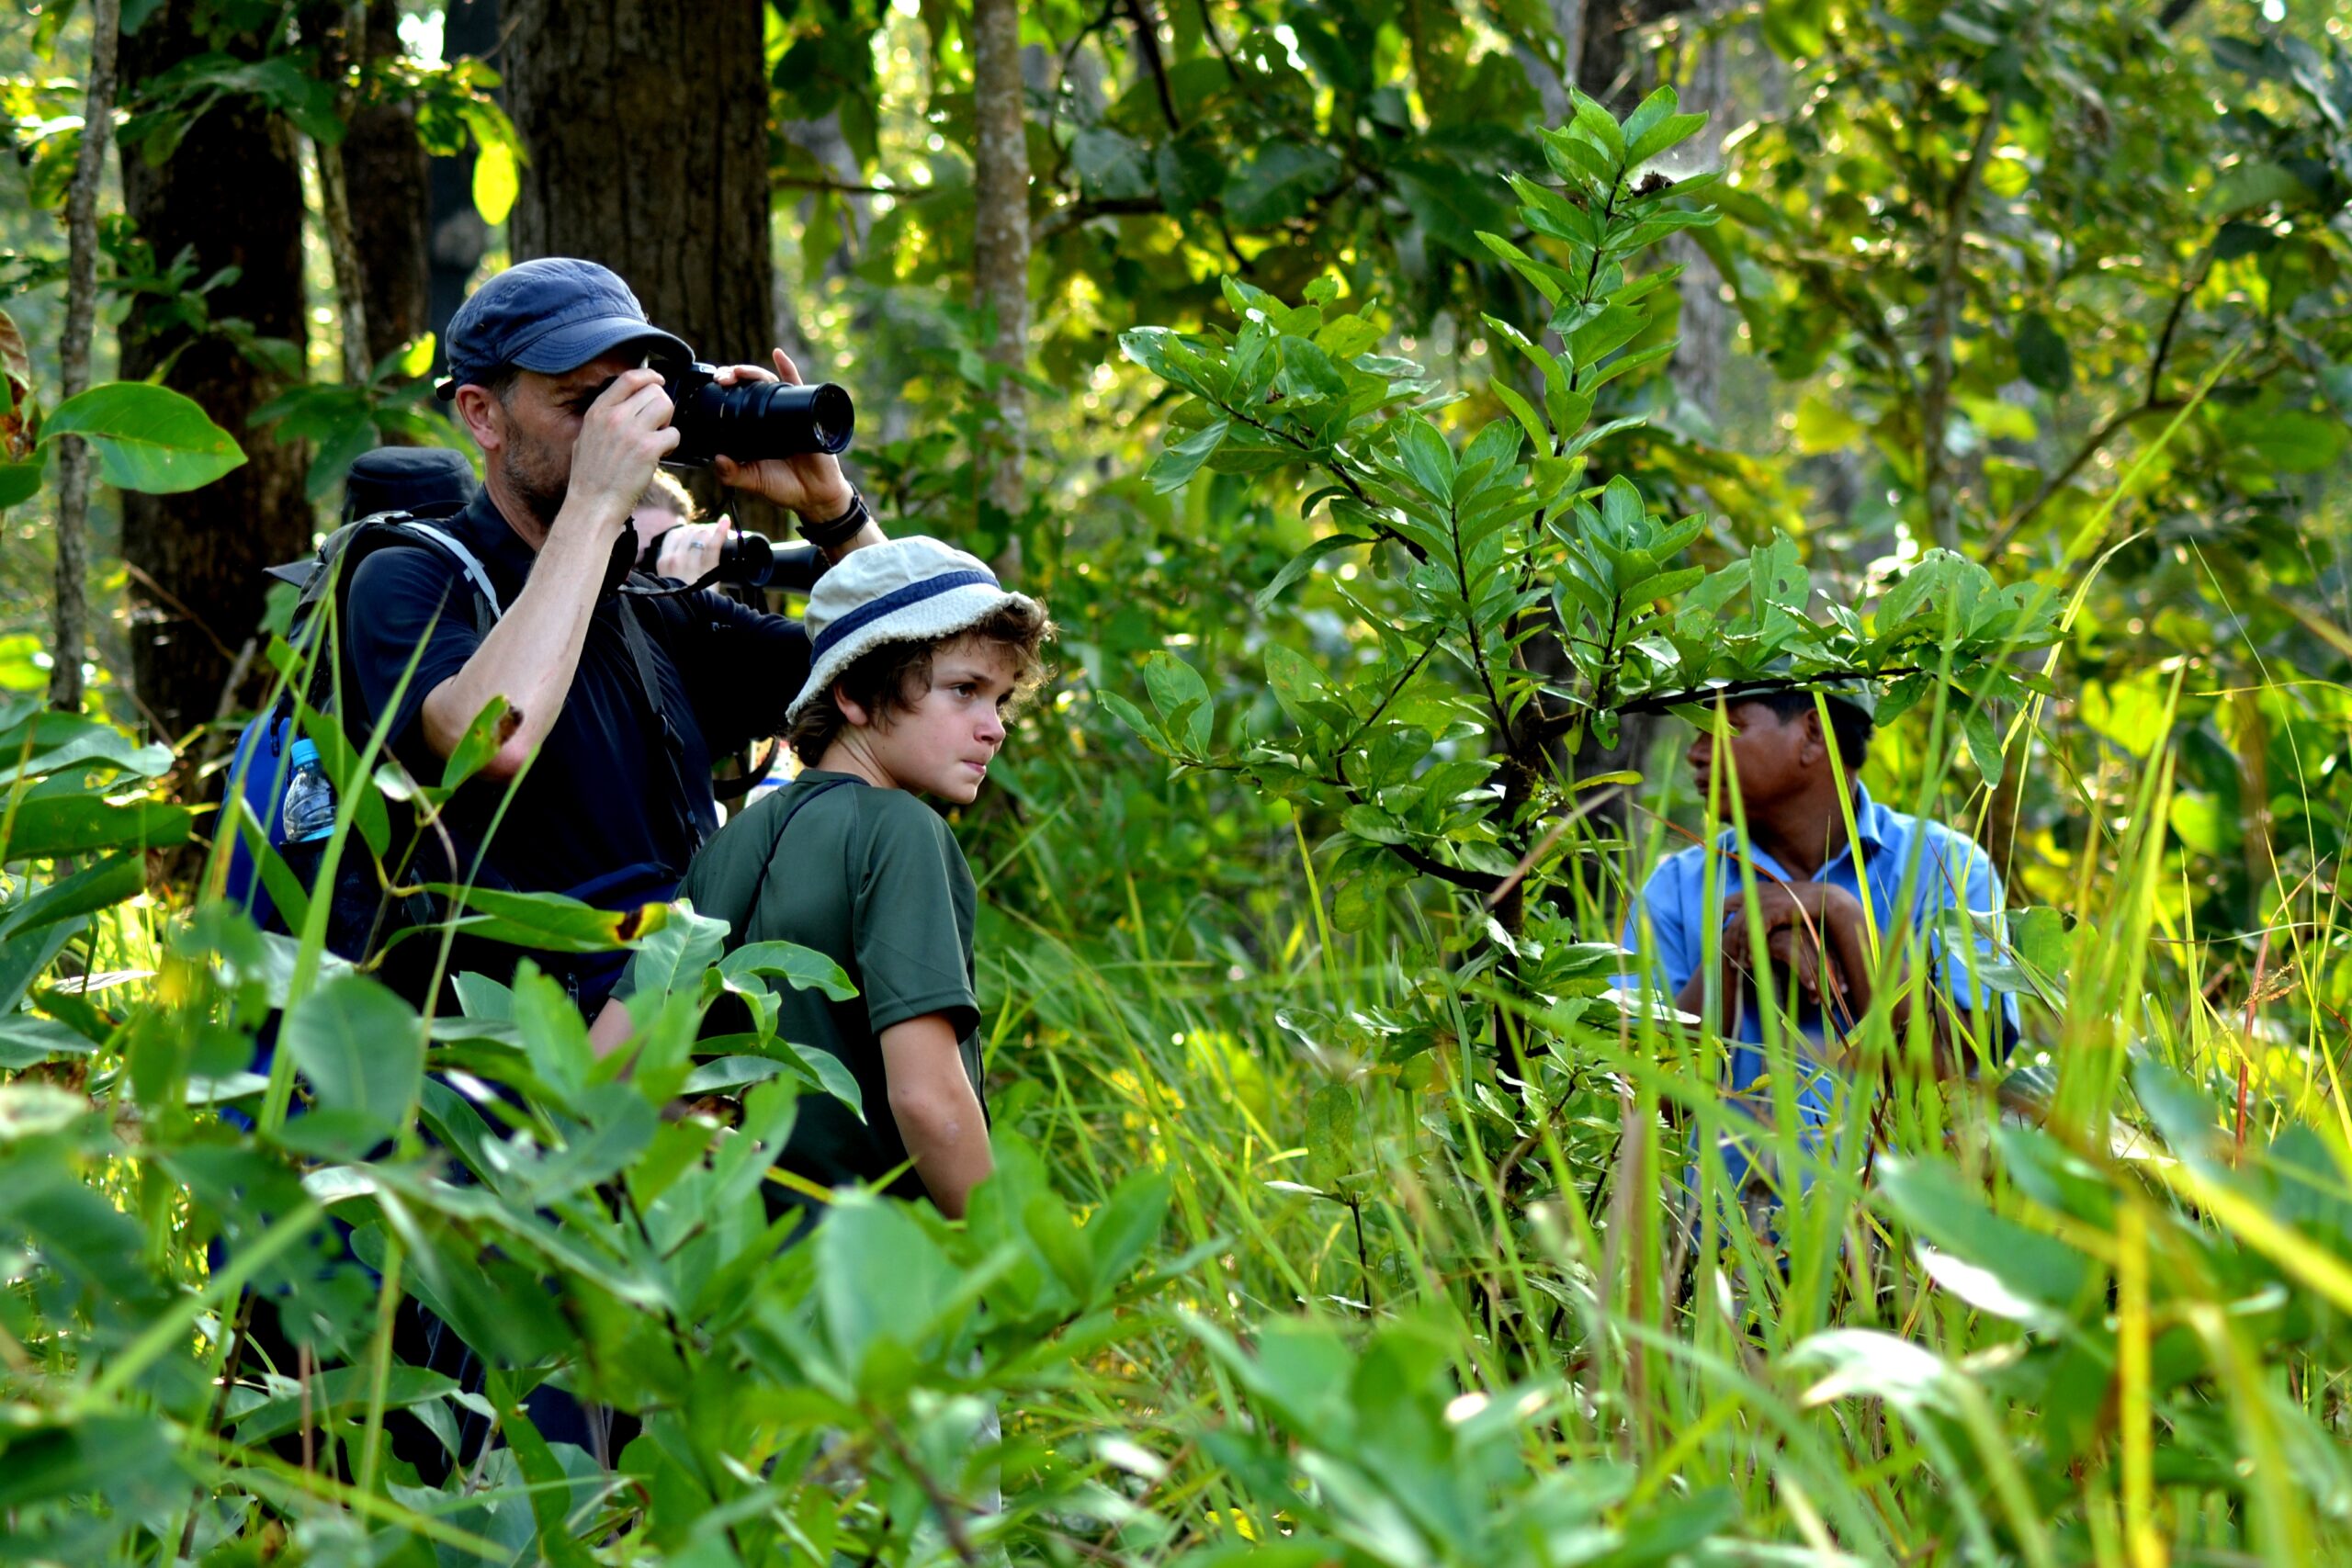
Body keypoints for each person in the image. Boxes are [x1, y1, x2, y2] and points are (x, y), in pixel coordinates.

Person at [338, 257, 885, 1011]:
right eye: (584, 403)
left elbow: (910, 681)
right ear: (482, 414)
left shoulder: (656, 613)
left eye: (632, 397)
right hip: (498, 1076)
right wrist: (594, 506)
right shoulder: (408, 579)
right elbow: (490, 738)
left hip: (673, 1051)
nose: (620, 428)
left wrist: (833, 509)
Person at [589, 537, 1053, 1223]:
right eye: (965, 691)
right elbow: (927, 1098)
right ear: (856, 693)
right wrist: (1014, 1263)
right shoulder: (902, 833)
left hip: (731, 1273)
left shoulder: (730, 841)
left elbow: (608, 1067)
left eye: (1001, 699)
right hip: (868, 1282)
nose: (994, 729)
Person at [1619, 678, 2018, 1202]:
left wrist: (1844, 916)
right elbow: (1639, 1100)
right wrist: (1732, 957)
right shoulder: (1674, 888)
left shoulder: (1944, 868)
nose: (1695, 753)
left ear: (1811, 734)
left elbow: (1951, 1066)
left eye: (1723, 728)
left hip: (1905, 1254)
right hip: (1717, 1256)